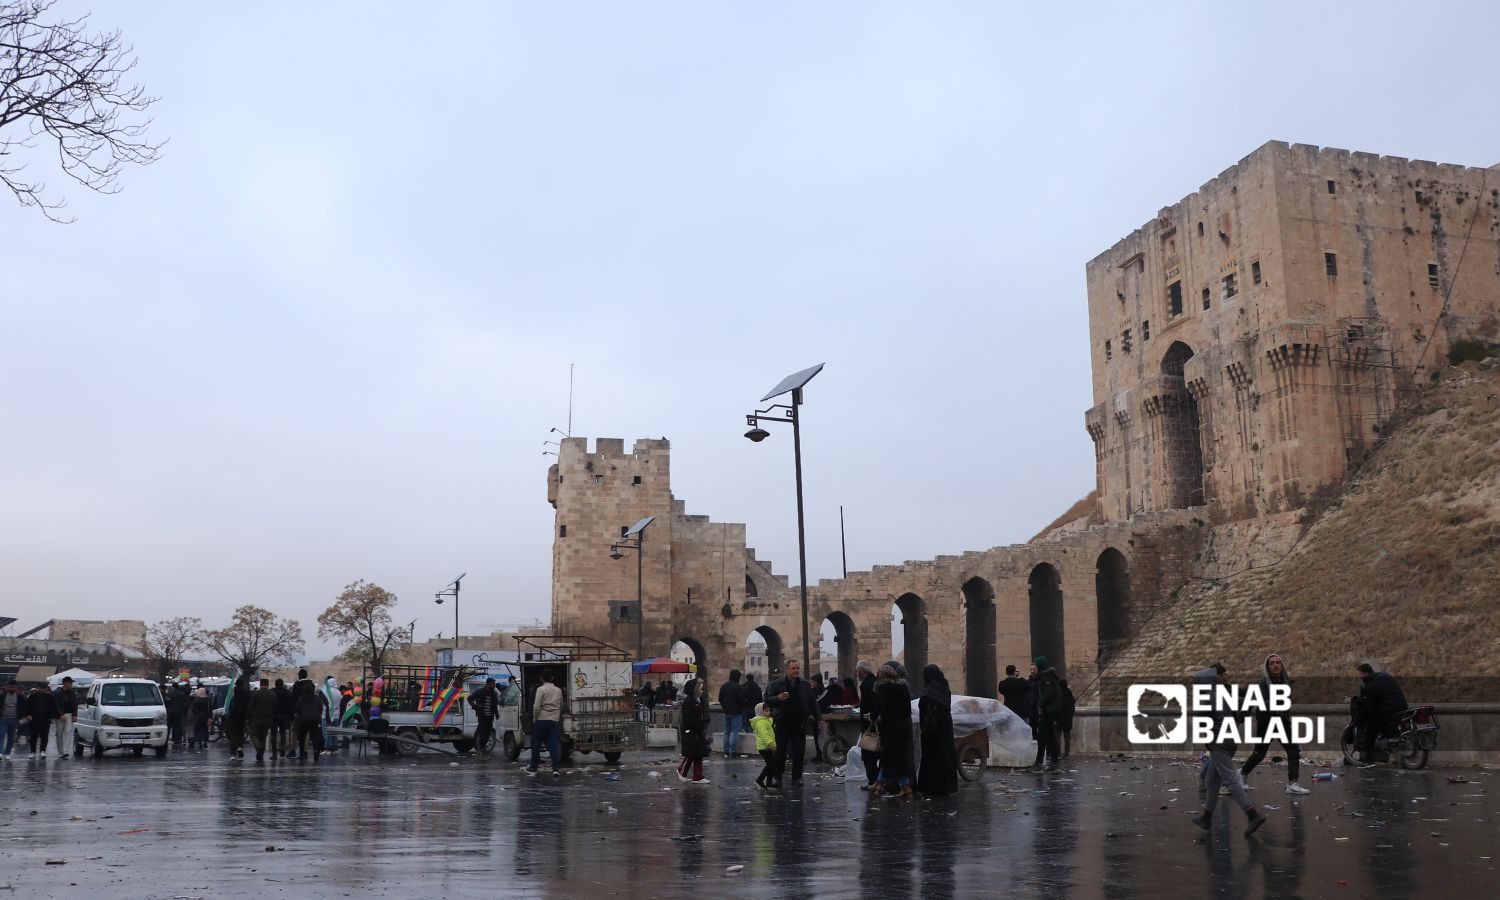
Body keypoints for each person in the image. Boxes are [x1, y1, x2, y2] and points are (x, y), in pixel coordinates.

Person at [1190, 665, 1267, 836]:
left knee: (1231, 780)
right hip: (1231, 740)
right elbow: (1249, 702)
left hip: (1219, 743)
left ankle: (1253, 815)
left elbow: (1202, 725)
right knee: (1212, 778)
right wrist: (1240, 717)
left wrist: (1208, 743)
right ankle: (1207, 817)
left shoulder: (1204, 699)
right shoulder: (1223, 695)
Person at [1239, 654, 1307, 794]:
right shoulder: (1263, 683)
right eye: (1272, 663)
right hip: (1267, 722)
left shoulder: (1285, 681)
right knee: (1259, 753)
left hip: (1282, 721)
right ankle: (1241, 774)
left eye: (1278, 663)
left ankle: (1292, 784)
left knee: (1294, 751)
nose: (1275, 665)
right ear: (1268, 667)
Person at [766, 659, 816, 788]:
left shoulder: (805, 684)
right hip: (782, 722)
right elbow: (767, 699)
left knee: (799, 752)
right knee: (780, 751)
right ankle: (778, 777)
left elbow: (812, 702)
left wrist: (819, 718)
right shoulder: (777, 684)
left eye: (798, 668)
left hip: (799, 723)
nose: (796, 671)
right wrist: (778, 698)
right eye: (793, 668)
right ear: (787, 669)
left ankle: (797, 778)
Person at [1354, 662, 1409, 766]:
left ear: (1365, 673)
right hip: (1402, 705)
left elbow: (1370, 706)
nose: (1360, 677)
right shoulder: (1385, 675)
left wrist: (1362, 715)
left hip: (1388, 709)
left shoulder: (1369, 686)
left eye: (1360, 674)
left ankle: (1369, 760)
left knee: (1370, 730)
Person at [873, 662, 914, 798]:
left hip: (890, 728)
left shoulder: (883, 687)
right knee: (899, 756)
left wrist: (873, 716)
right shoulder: (903, 687)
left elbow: (880, 707)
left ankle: (899, 786)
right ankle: (899, 786)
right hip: (904, 727)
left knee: (888, 756)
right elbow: (908, 709)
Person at [916, 664, 958, 796]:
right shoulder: (944, 688)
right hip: (945, 728)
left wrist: (925, 731)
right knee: (945, 757)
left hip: (933, 731)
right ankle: (945, 787)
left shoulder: (929, 692)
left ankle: (931, 787)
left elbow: (930, 715)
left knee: (932, 759)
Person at [1028, 657, 1063, 773]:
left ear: (1040, 666)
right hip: (1047, 711)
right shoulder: (1045, 677)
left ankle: (1039, 763)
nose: (1033, 669)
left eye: (1035, 666)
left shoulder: (1046, 677)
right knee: (1050, 737)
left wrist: (1040, 705)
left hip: (1046, 711)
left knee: (1042, 737)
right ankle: (1054, 762)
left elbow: (1049, 693)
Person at [676, 677, 711, 784]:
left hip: (697, 731)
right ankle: (682, 771)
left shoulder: (698, 700)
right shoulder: (689, 701)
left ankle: (698, 776)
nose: (702, 691)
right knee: (692, 754)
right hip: (692, 732)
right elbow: (689, 719)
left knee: (698, 753)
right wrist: (699, 727)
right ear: (695, 689)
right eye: (700, 689)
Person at [529, 670, 564, 777]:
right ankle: (555, 768)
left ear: (541, 678)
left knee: (537, 744)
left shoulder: (540, 689)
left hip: (541, 719)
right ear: (552, 678)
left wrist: (535, 718)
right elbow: (561, 704)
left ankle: (534, 767)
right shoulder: (558, 690)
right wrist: (557, 716)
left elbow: (537, 707)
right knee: (553, 744)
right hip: (554, 720)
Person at [855, 660, 881, 790]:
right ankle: (879, 781)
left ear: (861, 671)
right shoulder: (875, 681)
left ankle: (873, 782)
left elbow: (867, 706)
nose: (856, 674)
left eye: (857, 671)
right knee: (877, 755)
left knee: (868, 754)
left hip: (869, 725)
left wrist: (867, 720)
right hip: (878, 724)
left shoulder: (866, 685)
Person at [292, 674, 325, 760]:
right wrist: (318, 715)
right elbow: (320, 708)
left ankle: (303, 753)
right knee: (314, 737)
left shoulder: (301, 699)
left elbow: (297, 709)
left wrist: (298, 715)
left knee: (302, 737)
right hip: (315, 720)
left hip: (303, 720)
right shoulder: (317, 698)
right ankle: (316, 751)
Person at [24, 683, 59, 759]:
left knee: (44, 736)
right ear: (38, 688)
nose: (42, 689)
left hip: (45, 719)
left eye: (44, 688)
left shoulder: (49, 696)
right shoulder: (32, 696)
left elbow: (54, 706)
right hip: (34, 719)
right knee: (33, 736)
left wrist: (52, 716)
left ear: (46, 688)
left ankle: (43, 751)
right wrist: (28, 715)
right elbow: (27, 706)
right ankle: (32, 751)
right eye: (41, 688)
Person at [469, 677, 502, 755]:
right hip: (482, 717)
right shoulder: (480, 692)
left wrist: (497, 716)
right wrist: (475, 706)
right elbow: (469, 698)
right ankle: (481, 752)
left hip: (490, 718)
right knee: (482, 735)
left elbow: (494, 706)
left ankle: (481, 751)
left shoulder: (494, 694)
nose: (494, 686)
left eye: (494, 684)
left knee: (487, 736)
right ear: (488, 684)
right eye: (493, 684)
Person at [717, 670, 746, 758]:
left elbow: (720, 699)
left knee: (726, 732)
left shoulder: (724, 686)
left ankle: (726, 751)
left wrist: (724, 706)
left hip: (726, 712)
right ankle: (732, 751)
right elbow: (742, 700)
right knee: (735, 732)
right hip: (736, 712)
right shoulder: (739, 687)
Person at [750, 703, 778, 790]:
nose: (769, 712)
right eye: (766, 711)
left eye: (769, 710)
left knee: (771, 765)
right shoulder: (760, 722)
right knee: (770, 765)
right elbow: (764, 735)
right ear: (760, 712)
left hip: (767, 747)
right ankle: (759, 780)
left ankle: (769, 783)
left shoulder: (764, 720)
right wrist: (771, 743)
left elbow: (771, 721)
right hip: (764, 748)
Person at [248, 678, 277, 762]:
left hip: (257, 718)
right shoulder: (272, 694)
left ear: (261, 684)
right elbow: (275, 707)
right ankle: (260, 755)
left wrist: (249, 717)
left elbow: (251, 706)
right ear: (267, 685)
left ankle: (259, 748)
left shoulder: (256, 694)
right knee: (263, 736)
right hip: (268, 718)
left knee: (253, 735)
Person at [53, 676, 80, 759]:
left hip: (69, 715)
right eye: (70, 683)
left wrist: (75, 715)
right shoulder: (57, 693)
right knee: (59, 733)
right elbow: (56, 705)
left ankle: (65, 751)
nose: (71, 684)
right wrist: (60, 714)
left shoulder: (72, 693)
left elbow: (75, 704)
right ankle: (60, 751)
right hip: (60, 716)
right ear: (65, 683)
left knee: (67, 732)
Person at [225, 675, 251, 760]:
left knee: (233, 735)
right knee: (240, 733)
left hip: (233, 716)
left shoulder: (233, 691)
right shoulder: (247, 693)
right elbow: (249, 705)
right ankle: (240, 747)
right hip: (242, 716)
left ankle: (233, 754)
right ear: (243, 684)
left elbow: (229, 702)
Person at [0, 682, 23, 760]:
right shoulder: (2, 695)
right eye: (10, 687)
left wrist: (20, 717)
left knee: (11, 737)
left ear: (16, 687)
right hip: (4, 718)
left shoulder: (20, 696)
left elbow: (24, 706)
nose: (11, 689)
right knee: (1, 735)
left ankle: (7, 753)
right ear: (7, 687)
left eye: (13, 687)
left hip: (14, 719)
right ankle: (0, 752)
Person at [272, 678, 293, 758]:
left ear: (275, 684)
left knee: (273, 734)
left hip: (274, 715)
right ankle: (282, 748)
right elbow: (291, 705)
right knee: (283, 733)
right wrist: (291, 716)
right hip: (284, 716)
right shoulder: (287, 693)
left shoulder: (272, 691)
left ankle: (274, 753)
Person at [165, 681, 190, 748]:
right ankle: (177, 740)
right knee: (177, 726)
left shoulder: (169, 694)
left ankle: (166, 739)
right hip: (179, 712)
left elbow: (166, 703)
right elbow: (186, 703)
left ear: (173, 687)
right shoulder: (182, 694)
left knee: (169, 726)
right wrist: (184, 710)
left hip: (170, 712)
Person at [1057, 678, 1077, 760]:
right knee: (1067, 736)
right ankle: (1066, 753)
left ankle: (1058, 752)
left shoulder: (1059, 694)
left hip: (1060, 718)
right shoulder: (1070, 695)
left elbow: (1058, 707)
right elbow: (1073, 708)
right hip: (1068, 719)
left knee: (1057, 735)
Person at [189, 686, 212, 751]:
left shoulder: (197, 700)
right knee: (205, 729)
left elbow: (193, 709)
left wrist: (196, 714)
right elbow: (210, 709)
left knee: (198, 729)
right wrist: (210, 717)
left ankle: (200, 743)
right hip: (206, 717)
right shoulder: (208, 700)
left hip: (198, 717)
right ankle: (205, 742)